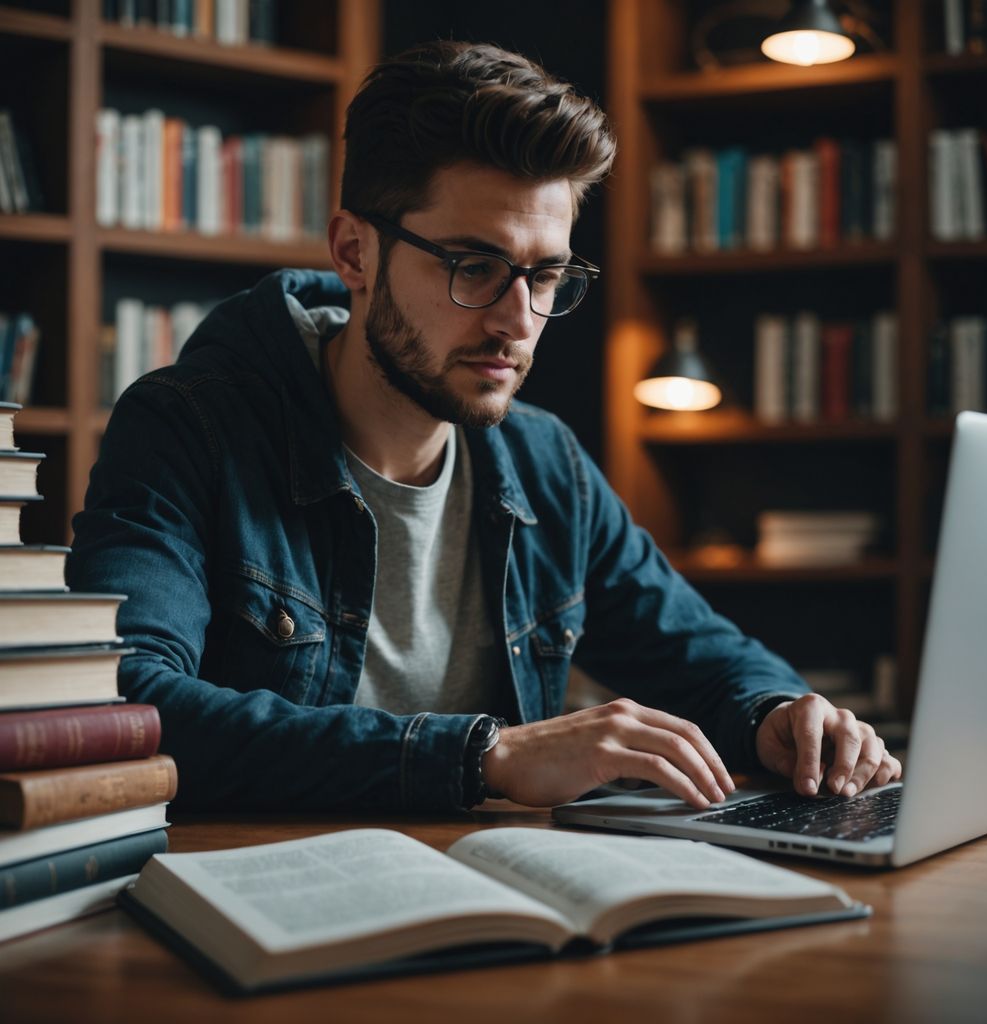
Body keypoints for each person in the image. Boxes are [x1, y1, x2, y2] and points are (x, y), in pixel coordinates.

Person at [67, 41, 901, 813]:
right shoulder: (185, 429)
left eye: (545, 275)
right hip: (253, 906)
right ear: (354, 254)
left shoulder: (546, 463)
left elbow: (705, 658)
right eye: (475, 266)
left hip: (503, 913)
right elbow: (126, 699)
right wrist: (481, 757)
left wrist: (782, 717)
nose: (517, 319)